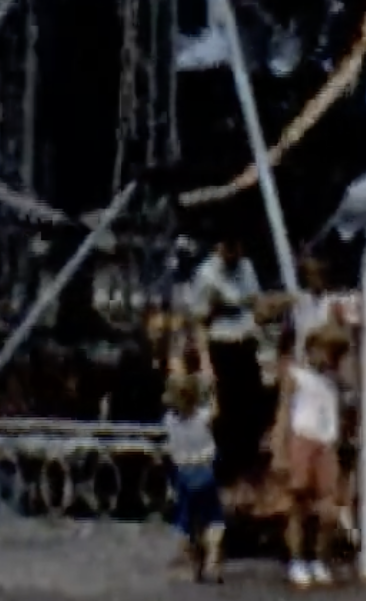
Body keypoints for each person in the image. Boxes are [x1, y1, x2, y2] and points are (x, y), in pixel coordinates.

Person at [188, 236, 266, 484]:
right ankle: (225, 478)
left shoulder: (247, 267)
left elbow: (256, 303)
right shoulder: (206, 274)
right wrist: (206, 363)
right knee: (226, 417)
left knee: (252, 412)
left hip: (245, 343)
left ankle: (248, 473)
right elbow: (199, 322)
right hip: (221, 346)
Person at [272, 324, 342, 589]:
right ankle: (297, 560)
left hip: (326, 442)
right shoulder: (296, 376)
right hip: (302, 438)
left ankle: (320, 559)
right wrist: (280, 451)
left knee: (328, 508)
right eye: (326, 351)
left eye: (335, 354)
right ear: (312, 349)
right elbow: (283, 414)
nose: (330, 358)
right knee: (297, 505)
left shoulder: (333, 381)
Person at [162, 348, 226, 584]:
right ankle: (212, 560)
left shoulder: (169, 421)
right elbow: (215, 405)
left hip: (183, 473)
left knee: (184, 519)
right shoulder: (202, 417)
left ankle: (187, 562)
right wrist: (210, 387)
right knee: (213, 518)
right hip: (205, 472)